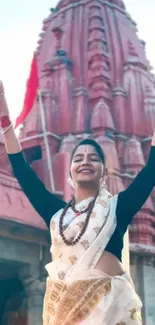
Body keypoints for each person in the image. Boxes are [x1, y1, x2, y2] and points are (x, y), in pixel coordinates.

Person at [0, 81, 155, 325]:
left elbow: (150, 171)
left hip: (111, 312)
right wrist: (6, 122)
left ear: (104, 172)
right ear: (71, 174)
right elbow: (21, 170)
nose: (85, 161)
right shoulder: (57, 216)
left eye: (94, 158)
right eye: (79, 158)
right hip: (67, 314)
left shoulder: (118, 208)